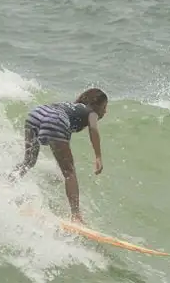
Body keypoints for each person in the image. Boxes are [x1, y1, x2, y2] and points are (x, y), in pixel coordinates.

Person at [11, 87, 108, 224]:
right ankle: (76, 216)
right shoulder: (91, 112)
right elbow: (93, 129)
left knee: (29, 161)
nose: (105, 111)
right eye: (104, 107)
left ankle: (7, 183)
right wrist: (98, 156)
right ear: (96, 105)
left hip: (36, 113)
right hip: (55, 119)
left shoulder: (72, 106)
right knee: (69, 173)